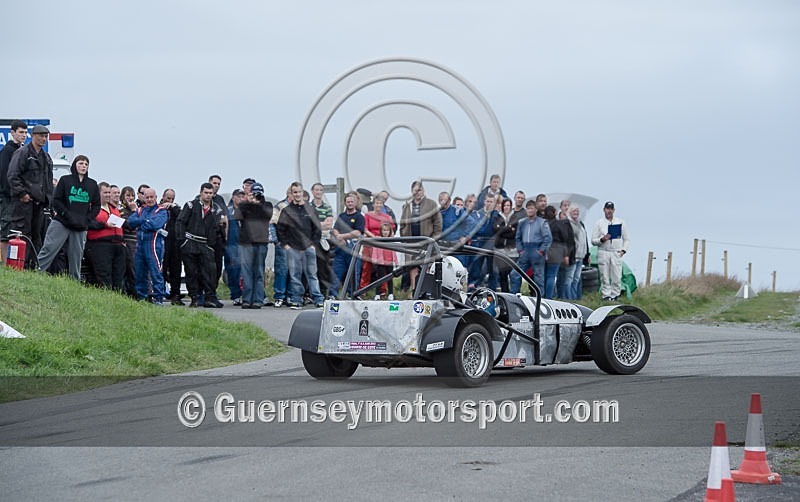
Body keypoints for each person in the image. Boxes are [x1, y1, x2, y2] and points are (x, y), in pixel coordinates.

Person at [37, 155, 100, 280]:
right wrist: (67, 215)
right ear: (74, 165)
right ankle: (37, 271)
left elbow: (96, 205)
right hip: (62, 222)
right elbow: (57, 201)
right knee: (49, 248)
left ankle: (74, 280)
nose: (83, 166)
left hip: (81, 226)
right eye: (81, 163)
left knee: (76, 255)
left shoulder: (92, 184)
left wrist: (87, 219)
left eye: (86, 164)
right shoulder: (65, 180)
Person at [7, 124, 54, 267]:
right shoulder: (23, 153)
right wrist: (22, 194)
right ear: (33, 136)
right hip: (23, 204)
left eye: (46, 136)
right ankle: (19, 265)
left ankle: (32, 266)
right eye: (41, 135)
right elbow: (12, 176)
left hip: (39, 204)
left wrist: (48, 199)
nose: (44, 139)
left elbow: (48, 182)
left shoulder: (46, 157)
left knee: (36, 236)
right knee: (22, 234)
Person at [277, 181, 325, 309]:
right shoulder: (287, 211)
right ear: (291, 194)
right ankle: (296, 299)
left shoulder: (311, 209)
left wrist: (313, 245)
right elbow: (280, 229)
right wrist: (286, 245)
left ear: (303, 193)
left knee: (312, 275)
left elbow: (317, 229)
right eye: (295, 192)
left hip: (309, 247)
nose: (297, 195)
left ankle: (318, 299)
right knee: (295, 275)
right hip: (293, 247)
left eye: (299, 192)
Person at [176, 182, 224, 308]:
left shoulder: (216, 209)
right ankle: (195, 298)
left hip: (205, 244)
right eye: (206, 193)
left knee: (210, 272)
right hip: (190, 242)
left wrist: (211, 245)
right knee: (191, 272)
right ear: (201, 192)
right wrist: (182, 241)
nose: (208, 195)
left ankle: (210, 297)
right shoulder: (191, 205)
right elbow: (180, 222)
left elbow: (217, 228)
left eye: (210, 193)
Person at [127, 187, 169, 305]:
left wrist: (141, 223)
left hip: (154, 245)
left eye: (152, 197)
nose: (149, 199)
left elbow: (155, 224)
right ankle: (142, 297)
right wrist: (145, 221)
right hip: (140, 245)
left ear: (156, 197)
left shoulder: (161, 211)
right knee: (139, 272)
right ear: (143, 198)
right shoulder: (141, 210)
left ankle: (159, 298)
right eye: (147, 197)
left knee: (156, 272)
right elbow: (130, 222)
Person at [235, 182, 273, 309]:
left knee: (259, 272)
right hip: (246, 242)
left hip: (261, 242)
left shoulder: (267, 205)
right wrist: (248, 202)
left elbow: (267, 215)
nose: (257, 195)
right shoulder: (245, 206)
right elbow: (237, 216)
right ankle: (246, 299)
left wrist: (257, 203)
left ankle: (258, 299)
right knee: (246, 273)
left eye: (258, 193)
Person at [399, 180, 442, 289]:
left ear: (423, 191)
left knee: (426, 266)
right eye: (415, 190)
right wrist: (404, 237)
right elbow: (403, 223)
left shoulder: (431, 204)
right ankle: (414, 290)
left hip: (427, 242)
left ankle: (425, 290)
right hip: (411, 243)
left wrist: (433, 239)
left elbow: (438, 223)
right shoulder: (407, 206)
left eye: (420, 190)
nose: (417, 193)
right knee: (412, 267)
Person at [85, 182, 125, 290]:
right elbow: (87, 223)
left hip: (118, 244)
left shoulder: (114, 208)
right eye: (105, 192)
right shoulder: (91, 208)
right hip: (100, 245)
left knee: (118, 276)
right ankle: (107, 297)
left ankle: (118, 298)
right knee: (104, 275)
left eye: (109, 192)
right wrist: (104, 225)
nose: (108, 195)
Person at [510, 199, 552, 295]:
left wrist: (541, 251)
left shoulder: (542, 222)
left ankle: (540, 299)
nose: (530, 210)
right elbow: (518, 237)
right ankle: (514, 295)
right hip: (525, 250)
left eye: (532, 208)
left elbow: (547, 238)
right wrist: (520, 250)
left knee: (538, 278)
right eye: (528, 208)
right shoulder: (522, 222)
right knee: (514, 274)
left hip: (536, 250)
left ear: (536, 209)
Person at [0, 120, 27, 263]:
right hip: (8, 197)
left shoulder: (23, 149)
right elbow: (5, 175)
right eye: (20, 132)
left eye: (25, 132)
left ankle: (16, 262)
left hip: (19, 198)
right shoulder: (7, 150)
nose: (24, 135)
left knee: (16, 232)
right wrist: (12, 193)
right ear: (12, 133)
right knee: (6, 231)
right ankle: (4, 263)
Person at [592, 201, 629, 301]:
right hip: (603, 251)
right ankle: (606, 295)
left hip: (616, 251)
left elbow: (626, 239)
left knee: (616, 275)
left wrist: (623, 251)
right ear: (604, 210)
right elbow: (593, 240)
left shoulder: (620, 222)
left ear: (614, 210)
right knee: (604, 275)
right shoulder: (599, 223)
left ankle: (615, 295)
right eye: (607, 209)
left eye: (611, 209)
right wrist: (602, 239)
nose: (609, 211)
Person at [330, 191, 364, 298]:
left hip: (353, 249)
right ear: (345, 203)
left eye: (352, 202)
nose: (350, 203)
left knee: (354, 273)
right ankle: (332, 295)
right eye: (348, 202)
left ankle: (352, 295)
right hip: (340, 250)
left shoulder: (359, 217)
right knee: (336, 273)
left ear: (355, 203)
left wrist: (343, 236)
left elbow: (358, 232)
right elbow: (335, 229)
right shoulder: (341, 216)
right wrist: (338, 237)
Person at [360, 193, 395, 292]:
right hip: (370, 243)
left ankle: (383, 290)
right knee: (367, 267)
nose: (378, 205)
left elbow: (391, 230)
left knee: (382, 268)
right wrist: (374, 237)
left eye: (380, 203)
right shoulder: (368, 215)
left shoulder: (387, 217)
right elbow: (365, 229)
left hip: (382, 245)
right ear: (373, 204)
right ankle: (363, 290)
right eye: (377, 203)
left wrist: (388, 241)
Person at [468, 193, 499, 290]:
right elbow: (478, 229)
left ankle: (492, 291)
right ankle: (472, 290)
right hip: (479, 243)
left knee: (493, 270)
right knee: (476, 270)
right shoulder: (478, 214)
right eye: (487, 201)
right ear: (484, 202)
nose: (489, 203)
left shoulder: (496, 214)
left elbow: (498, 229)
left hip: (492, 244)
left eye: (491, 202)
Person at [543, 205, 575, 299]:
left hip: (544, 250)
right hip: (556, 251)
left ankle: (543, 295)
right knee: (551, 276)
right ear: (555, 213)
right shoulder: (558, 224)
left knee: (544, 275)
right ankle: (549, 297)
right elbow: (565, 237)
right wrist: (566, 254)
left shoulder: (542, 223)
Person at [310, 182, 334, 299]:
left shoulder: (327, 207)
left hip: (324, 240)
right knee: (311, 268)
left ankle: (324, 293)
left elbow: (329, 224)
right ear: (312, 192)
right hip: (312, 240)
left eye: (320, 190)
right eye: (316, 190)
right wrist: (320, 224)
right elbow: (308, 225)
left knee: (324, 268)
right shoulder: (308, 207)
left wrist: (316, 224)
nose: (318, 192)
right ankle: (311, 293)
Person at [160, 188, 184, 305]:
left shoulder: (176, 209)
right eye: (168, 198)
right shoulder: (159, 208)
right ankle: (160, 293)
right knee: (162, 270)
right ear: (163, 197)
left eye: (172, 198)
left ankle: (176, 295)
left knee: (176, 270)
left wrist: (173, 207)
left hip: (175, 242)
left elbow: (182, 217)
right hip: (162, 242)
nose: (170, 201)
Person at [271, 186, 291, 307]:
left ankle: (290, 295)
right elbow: (273, 223)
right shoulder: (280, 206)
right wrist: (277, 241)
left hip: (295, 244)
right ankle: (279, 296)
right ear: (289, 194)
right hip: (282, 243)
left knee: (293, 271)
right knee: (281, 270)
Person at [225, 188, 246, 305]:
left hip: (244, 245)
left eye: (242, 196)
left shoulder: (246, 211)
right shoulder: (228, 211)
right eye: (238, 196)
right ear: (233, 197)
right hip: (231, 245)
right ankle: (235, 295)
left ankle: (245, 295)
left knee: (245, 272)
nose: (240, 198)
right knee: (233, 271)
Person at [493, 198, 518, 292]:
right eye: (505, 205)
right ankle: (505, 292)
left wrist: (502, 229)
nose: (506, 207)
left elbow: (514, 233)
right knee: (502, 273)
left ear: (511, 206)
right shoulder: (497, 217)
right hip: (500, 249)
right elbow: (496, 230)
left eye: (508, 205)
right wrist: (509, 228)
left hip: (511, 249)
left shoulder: (515, 217)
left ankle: (514, 293)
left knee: (511, 273)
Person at [565, 204, 590, 300]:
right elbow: (567, 240)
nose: (576, 212)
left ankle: (574, 298)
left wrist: (587, 254)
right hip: (573, 256)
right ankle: (568, 299)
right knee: (569, 279)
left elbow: (585, 240)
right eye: (574, 211)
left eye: (577, 211)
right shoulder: (567, 223)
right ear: (569, 212)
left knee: (576, 279)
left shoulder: (581, 224)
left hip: (581, 255)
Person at [369, 221, 398, 300]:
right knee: (380, 278)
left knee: (390, 278)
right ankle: (377, 294)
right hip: (381, 262)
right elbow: (375, 250)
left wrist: (396, 261)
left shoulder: (391, 240)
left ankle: (391, 293)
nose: (385, 232)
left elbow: (394, 252)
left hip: (389, 262)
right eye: (384, 230)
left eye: (387, 230)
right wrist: (374, 259)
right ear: (381, 231)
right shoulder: (378, 240)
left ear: (390, 231)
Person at [208, 175, 228, 284]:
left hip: (218, 238)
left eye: (218, 184)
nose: (216, 186)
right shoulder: (199, 199)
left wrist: (226, 236)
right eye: (214, 183)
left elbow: (225, 218)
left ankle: (213, 292)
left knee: (218, 266)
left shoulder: (220, 199)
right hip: (206, 238)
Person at [119, 186, 139, 297]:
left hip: (136, 242)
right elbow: (129, 225)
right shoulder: (122, 211)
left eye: (132, 196)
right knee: (130, 269)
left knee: (136, 268)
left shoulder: (138, 209)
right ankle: (132, 293)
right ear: (123, 197)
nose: (130, 198)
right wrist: (134, 212)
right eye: (128, 195)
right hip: (127, 242)